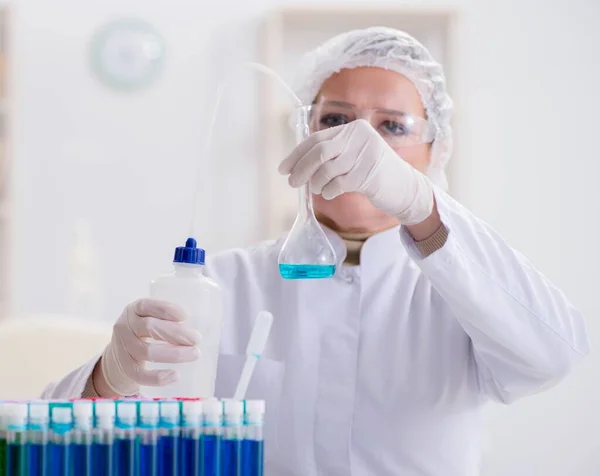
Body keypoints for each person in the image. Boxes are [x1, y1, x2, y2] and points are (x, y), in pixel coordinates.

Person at [42, 27, 589, 476]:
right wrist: (106, 379)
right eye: (335, 119)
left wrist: (421, 204)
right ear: (303, 131)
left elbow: (553, 355)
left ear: (435, 149)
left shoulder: (464, 288)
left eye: (392, 127)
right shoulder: (221, 283)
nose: (359, 143)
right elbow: (55, 444)